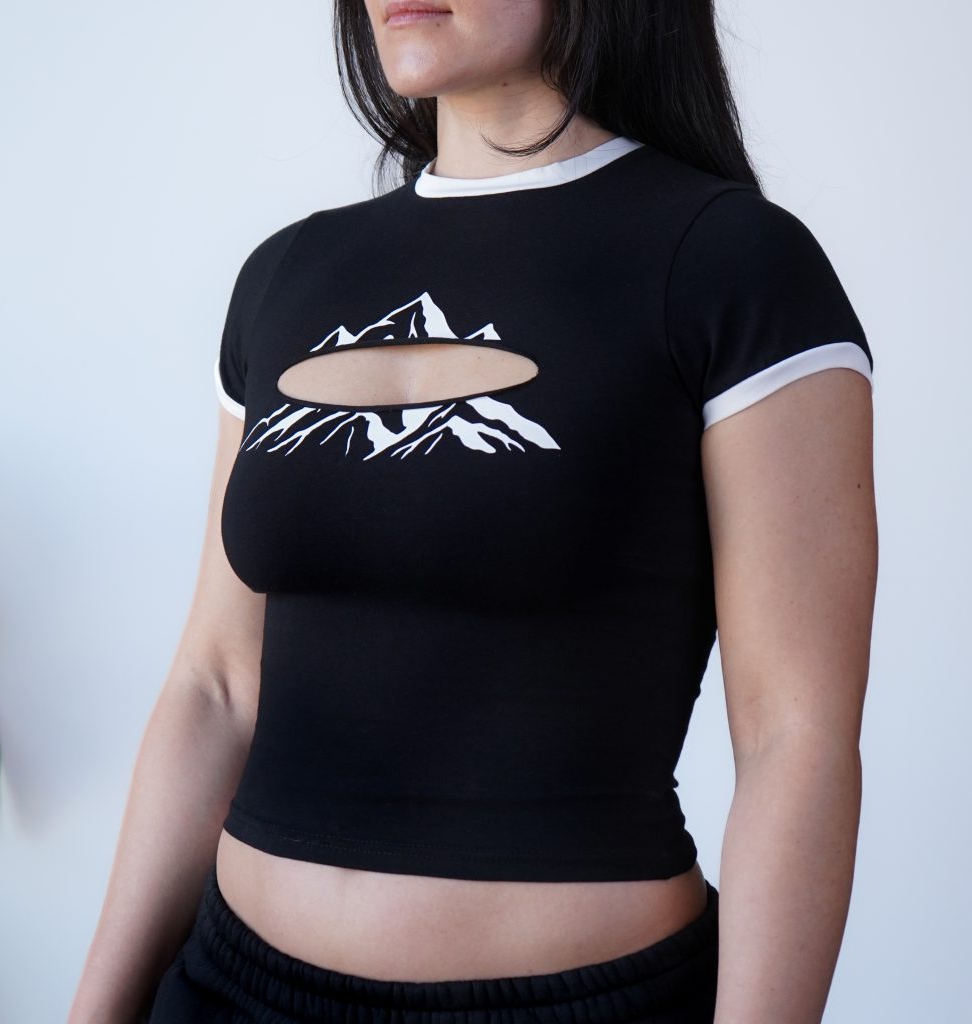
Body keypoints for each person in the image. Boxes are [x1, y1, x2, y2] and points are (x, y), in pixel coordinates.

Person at [68, 2, 877, 1022]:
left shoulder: (734, 264)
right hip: (230, 988)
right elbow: (216, 687)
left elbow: (792, 737)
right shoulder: (285, 274)